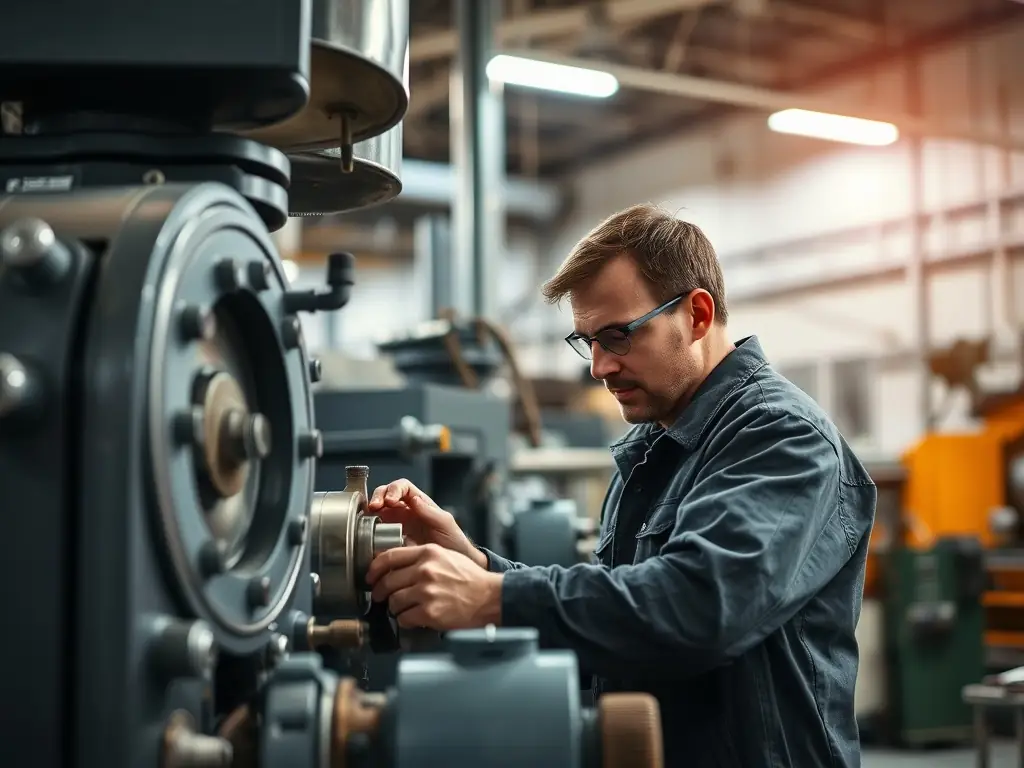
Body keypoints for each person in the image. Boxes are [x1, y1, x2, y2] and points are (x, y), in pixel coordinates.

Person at [365, 203, 876, 767]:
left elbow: (700, 605)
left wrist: (492, 600)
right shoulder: (655, 448)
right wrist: (476, 564)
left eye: (617, 335)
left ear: (697, 315)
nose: (598, 367)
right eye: (587, 341)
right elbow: (621, 611)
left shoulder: (780, 435)